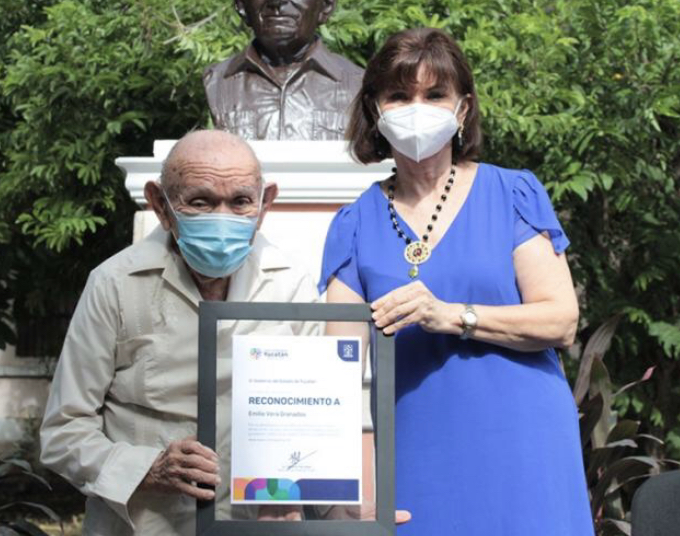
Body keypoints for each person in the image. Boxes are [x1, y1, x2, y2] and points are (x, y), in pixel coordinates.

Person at [319, 28, 594, 535]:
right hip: (416, 452)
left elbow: (561, 321)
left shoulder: (512, 194)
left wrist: (451, 315)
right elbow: (333, 375)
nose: (416, 109)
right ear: (375, 109)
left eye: (434, 95)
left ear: (462, 109)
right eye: (399, 95)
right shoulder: (353, 225)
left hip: (525, 446)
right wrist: (335, 496)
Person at [39, 130, 318, 535]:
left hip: (253, 525)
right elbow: (63, 431)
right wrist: (148, 468)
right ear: (161, 205)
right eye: (201, 202)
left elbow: (316, 416)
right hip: (141, 526)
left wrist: (333, 506)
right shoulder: (115, 283)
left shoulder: (292, 284)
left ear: (264, 205)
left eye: (240, 201)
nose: (222, 219)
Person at [203, 0, 363, 140]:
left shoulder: (359, 84)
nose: (277, 2)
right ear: (241, 6)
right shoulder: (216, 80)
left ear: (326, 6)